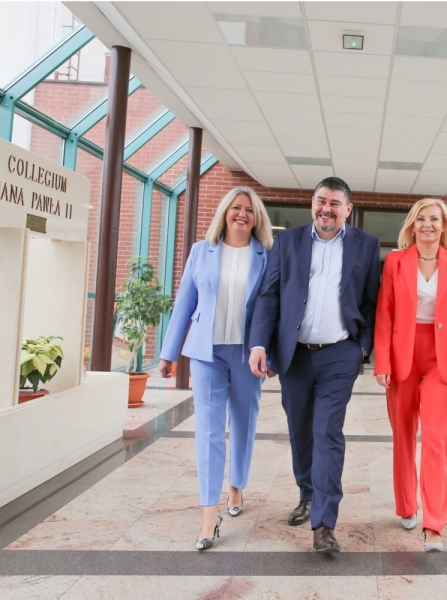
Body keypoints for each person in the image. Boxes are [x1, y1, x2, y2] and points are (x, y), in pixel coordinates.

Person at [248, 177, 381, 553]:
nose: (326, 208)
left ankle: (324, 522)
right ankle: (307, 493)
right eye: (321, 201)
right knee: (300, 430)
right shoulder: (287, 241)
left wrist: (362, 348)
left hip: (340, 353)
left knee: (328, 433)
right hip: (295, 354)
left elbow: (372, 299)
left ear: (347, 209)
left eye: (335, 203)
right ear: (312, 203)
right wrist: (260, 343)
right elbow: (269, 295)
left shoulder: (366, 246)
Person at [158, 186, 273, 550]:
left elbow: (272, 309)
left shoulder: (266, 255)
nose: (242, 214)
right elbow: (184, 302)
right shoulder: (201, 251)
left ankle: (236, 485)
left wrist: (271, 354)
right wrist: (168, 352)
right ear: (225, 211)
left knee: (243, 421)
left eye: (249, 210)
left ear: (256, 218)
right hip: (206, 353)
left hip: (246, 354)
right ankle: (209, 514)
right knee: (208, 431)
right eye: (236, 208)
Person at [374, 199, 447, 553]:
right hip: (402, 354)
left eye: (435, 219)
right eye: (421, 219)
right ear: (412, 226)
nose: (428, 224)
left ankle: (434, 525)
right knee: (403, 433)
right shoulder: (396, 262)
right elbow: (384, 314)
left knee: (434, 438)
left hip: (440, 358)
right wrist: (382, 362)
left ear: (444, 226)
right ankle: (406, 506)